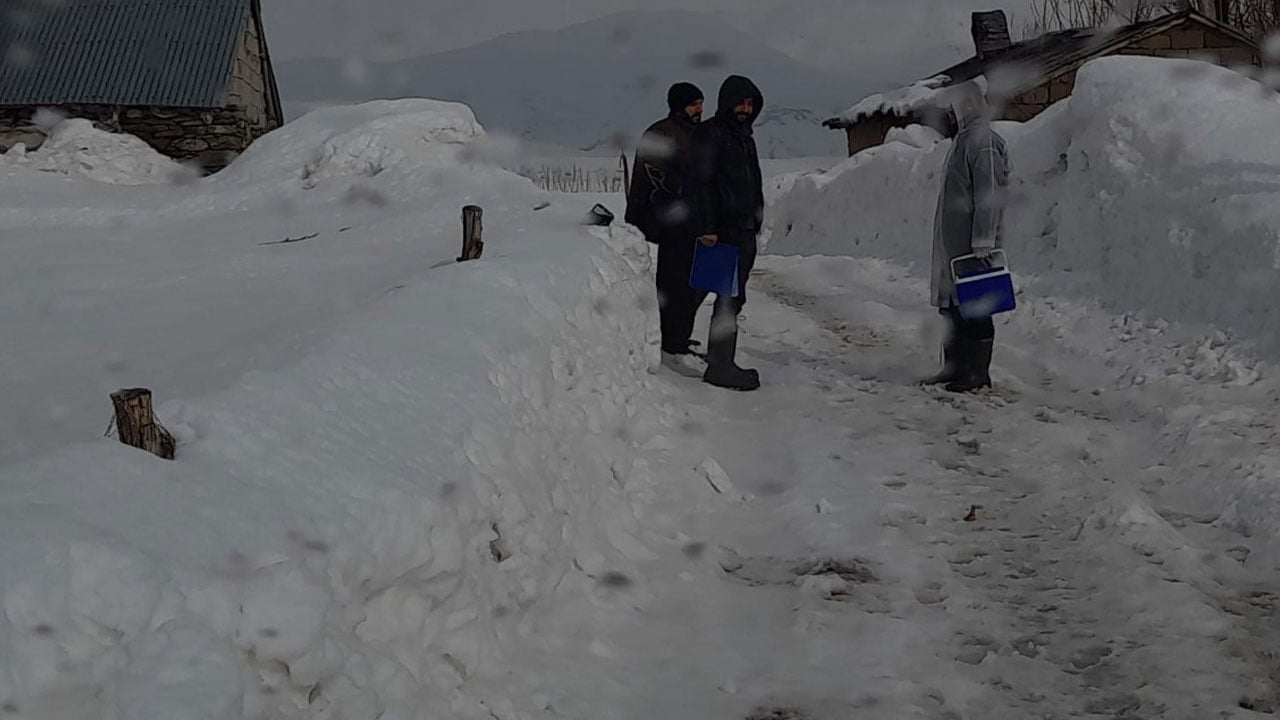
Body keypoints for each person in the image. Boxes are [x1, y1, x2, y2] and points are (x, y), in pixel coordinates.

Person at [923, 80, 1010, 393]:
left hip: (974, 246)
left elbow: (989, 194)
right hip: (955, 245)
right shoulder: (963, 139)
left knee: (975, 306)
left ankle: (976, 372)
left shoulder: (982, 141)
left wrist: (984, 238)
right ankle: (954, 366)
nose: (952, 113)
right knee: (954, 308)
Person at [688, 74, 766, 392]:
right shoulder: (711, 134)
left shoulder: (743, 136)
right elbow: (700, 182)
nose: (745, 109)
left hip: (742, 230)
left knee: (730, 297)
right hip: (720, 231)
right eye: (740, 102)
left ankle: (714, 357)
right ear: (727, 102)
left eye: (750, 103)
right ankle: (719, 365)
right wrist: (706, 227)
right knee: (722, 297)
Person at [625, 82, 707, 376]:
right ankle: (671, 343)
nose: (699, 109)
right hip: (669, 220)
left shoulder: (696, 133)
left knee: (694, 283)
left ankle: (679, 337)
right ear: (678, 105)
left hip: (693, 220)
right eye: (693, 104)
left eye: (701, 102)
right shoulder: (661, 133)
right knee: (673, 283)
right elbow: (653, 178)